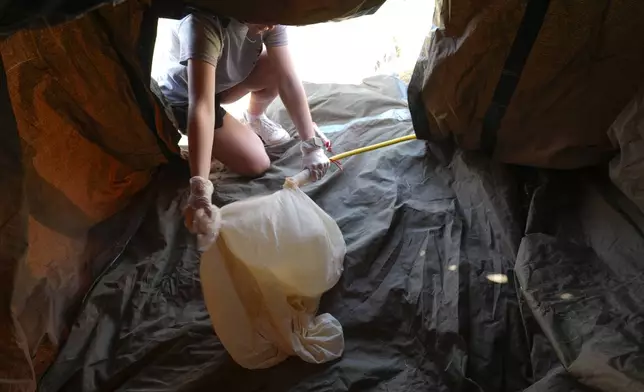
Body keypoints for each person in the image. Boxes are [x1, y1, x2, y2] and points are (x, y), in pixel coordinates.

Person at [156, 11, 331, 247]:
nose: (271, 24)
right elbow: (202, 106)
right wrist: (200, 187)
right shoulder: (203, 22)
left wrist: (309, 142)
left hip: (221, 83)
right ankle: (217, 141)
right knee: (256, 163)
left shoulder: (273, 16)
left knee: (274, 64)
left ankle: (255, 118)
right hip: (186, 97)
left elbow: (288, 78)